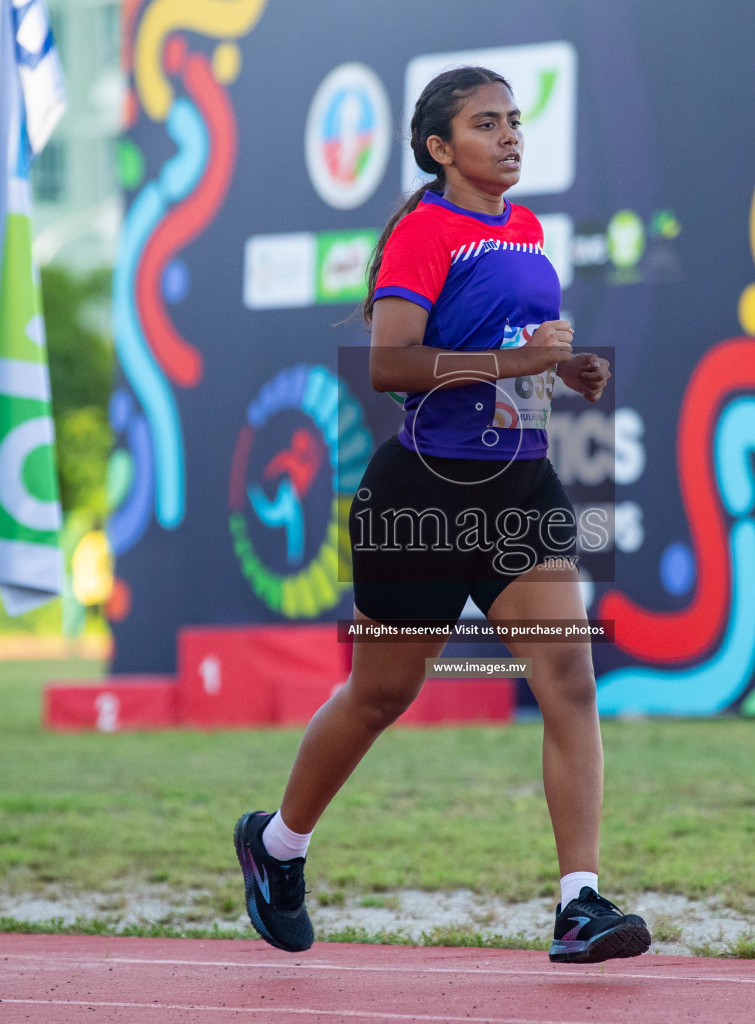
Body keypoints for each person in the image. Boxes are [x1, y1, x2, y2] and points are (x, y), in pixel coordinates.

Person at [232, 67, 647, 965]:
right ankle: (277, 847)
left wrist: (563, 372)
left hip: (518, 488)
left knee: (569, 681)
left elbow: (514, 352)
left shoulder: (528, 229)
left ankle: (580, 905)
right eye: (485, 123)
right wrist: (513, 366)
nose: (508, 136)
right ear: (438, 147)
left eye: (514, 121)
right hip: (422, 493)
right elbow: (391, 366)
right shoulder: (426, 234)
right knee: (384, 693)